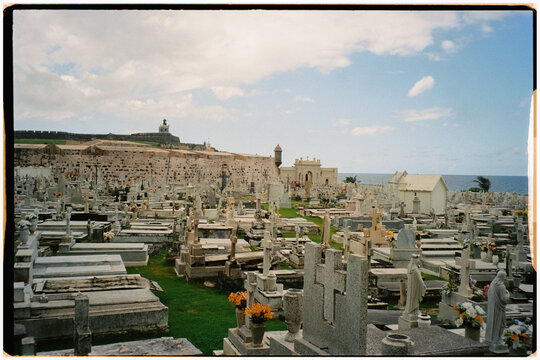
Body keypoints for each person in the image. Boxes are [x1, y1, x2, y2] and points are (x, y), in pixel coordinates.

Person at [485, 270, 510, 352]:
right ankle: (497, 340)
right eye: (505, 276)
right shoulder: (501, 286)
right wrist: (508, 294)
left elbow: (489, 294)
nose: (505, 278)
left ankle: (491, 339)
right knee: (500, 324)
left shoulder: (493, 283)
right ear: (502, 276)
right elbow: (504, 299)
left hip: (493, 308)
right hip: (499, 309)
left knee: (493, 323)